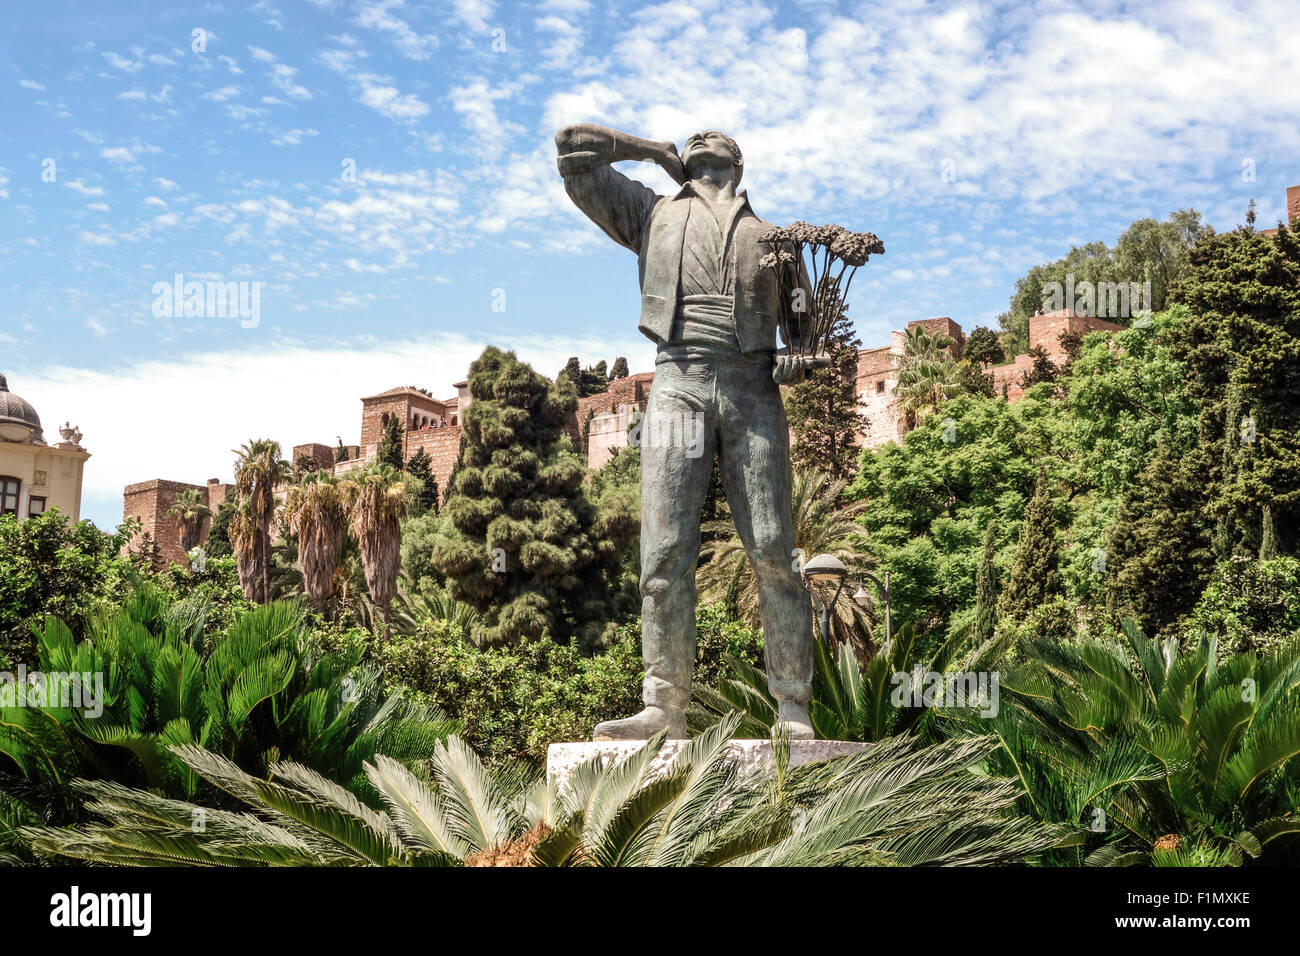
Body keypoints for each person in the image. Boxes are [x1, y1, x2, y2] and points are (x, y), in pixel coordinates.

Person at [555, 123, 823, 739]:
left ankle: (792, 707)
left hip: (754, 387)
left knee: (775, 549)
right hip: (676, 380)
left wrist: (798, 358)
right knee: (664, 550)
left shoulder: (776, 239)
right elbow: (573, 153)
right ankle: (662, 706)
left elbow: (808, 338)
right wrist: (649, 151)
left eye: (716, 136)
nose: (703, 135)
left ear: (738, 161)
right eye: (693, 137)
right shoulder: (651, 214)